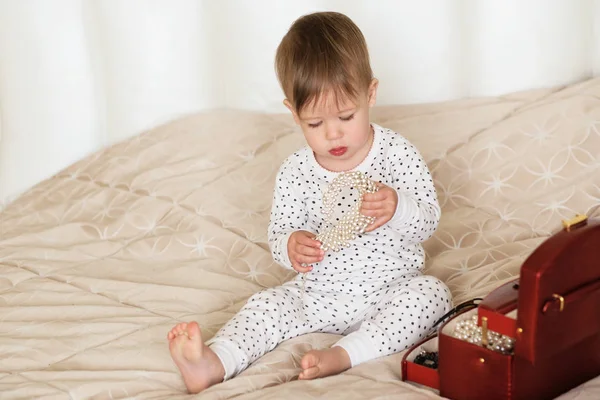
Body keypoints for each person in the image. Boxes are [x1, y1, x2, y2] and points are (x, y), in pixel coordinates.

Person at [167, 11, 452, 393]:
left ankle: (345, 354)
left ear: (370, 93)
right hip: (319, 294)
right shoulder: (296, 171)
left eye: (346, 116)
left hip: (390, 287)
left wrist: (398, 206)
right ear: (293, 112)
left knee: (433, 295)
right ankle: (214, 362)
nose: (333, 133)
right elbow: (280, 234)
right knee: (266, 305)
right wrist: (291, 245)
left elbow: (428, 222)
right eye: (314, 124)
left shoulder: (396, 154)